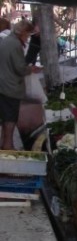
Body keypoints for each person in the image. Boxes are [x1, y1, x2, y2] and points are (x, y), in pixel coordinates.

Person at [0, 20, 41, 150]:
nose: (28, 37)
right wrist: (32, 69)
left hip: (3, 84)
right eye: (28, 35)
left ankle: (4, 144)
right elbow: (20, 69)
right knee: (10, 119)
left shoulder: (6, 41)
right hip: (10, 87)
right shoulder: (15, 44)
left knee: (5, 118)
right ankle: (8, 146)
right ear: (23, 32)